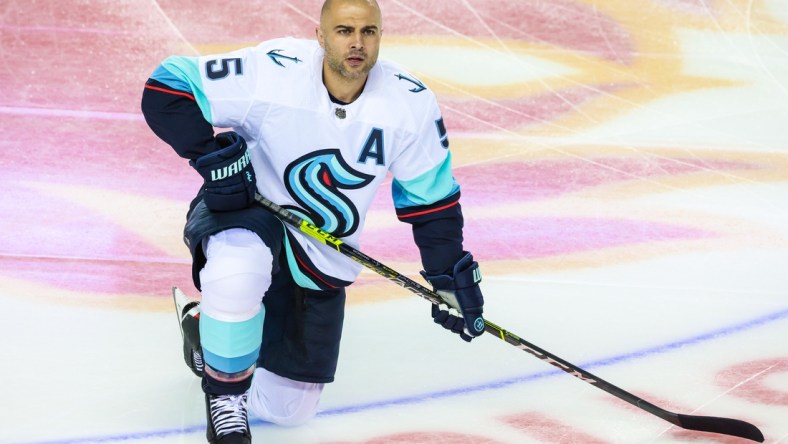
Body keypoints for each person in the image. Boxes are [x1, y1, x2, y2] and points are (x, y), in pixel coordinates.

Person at [140, 0, 485, 442]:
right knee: (237, 271)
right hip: (252, 210)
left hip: (321, 251)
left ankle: (205, 330)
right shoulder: (272, 71)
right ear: (320, 37)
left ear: (381, 36)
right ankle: (225, 397)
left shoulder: (410, 104)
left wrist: (448, 277)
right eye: (343, 31)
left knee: (290, 411)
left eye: (368, 32)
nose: (356, 43)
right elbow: (167, 87)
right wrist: (211, 158)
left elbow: (432, 203)